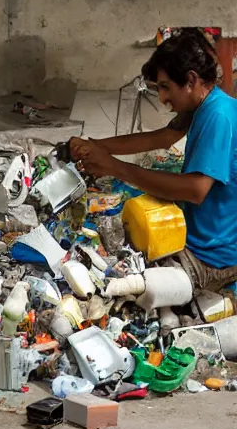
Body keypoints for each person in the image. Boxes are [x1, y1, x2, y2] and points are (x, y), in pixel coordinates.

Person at [70, 29, 237, 291]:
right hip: (194, 233)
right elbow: (160, 138)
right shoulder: (201, 106)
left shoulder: (219, 115)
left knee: (125, 285)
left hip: (212, 256)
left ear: (191, 80)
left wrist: (114, 166)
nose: (162, 98)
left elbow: (195, 190)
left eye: (165, 87)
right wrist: (96, 146)